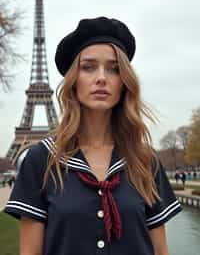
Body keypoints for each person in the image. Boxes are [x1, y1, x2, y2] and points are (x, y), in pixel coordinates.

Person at [4, 16, 182, 255]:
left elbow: (160, 250)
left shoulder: (144, 160)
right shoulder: (41, 160)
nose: (101, 78)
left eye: (114, 69)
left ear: (124, 82)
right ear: (73, 81)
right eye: (88, 67)